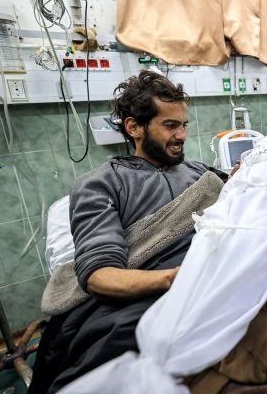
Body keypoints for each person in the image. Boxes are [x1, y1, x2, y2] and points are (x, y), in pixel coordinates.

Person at [29, 70, 227, 393]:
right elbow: (100, 276)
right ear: (134, 127)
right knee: (121, 346)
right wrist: (174, 279)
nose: (182, 136)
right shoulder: (102, 184)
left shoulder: (200, 173)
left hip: (213, 272)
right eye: (170, 126)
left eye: (183, 125)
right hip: (148, 291)